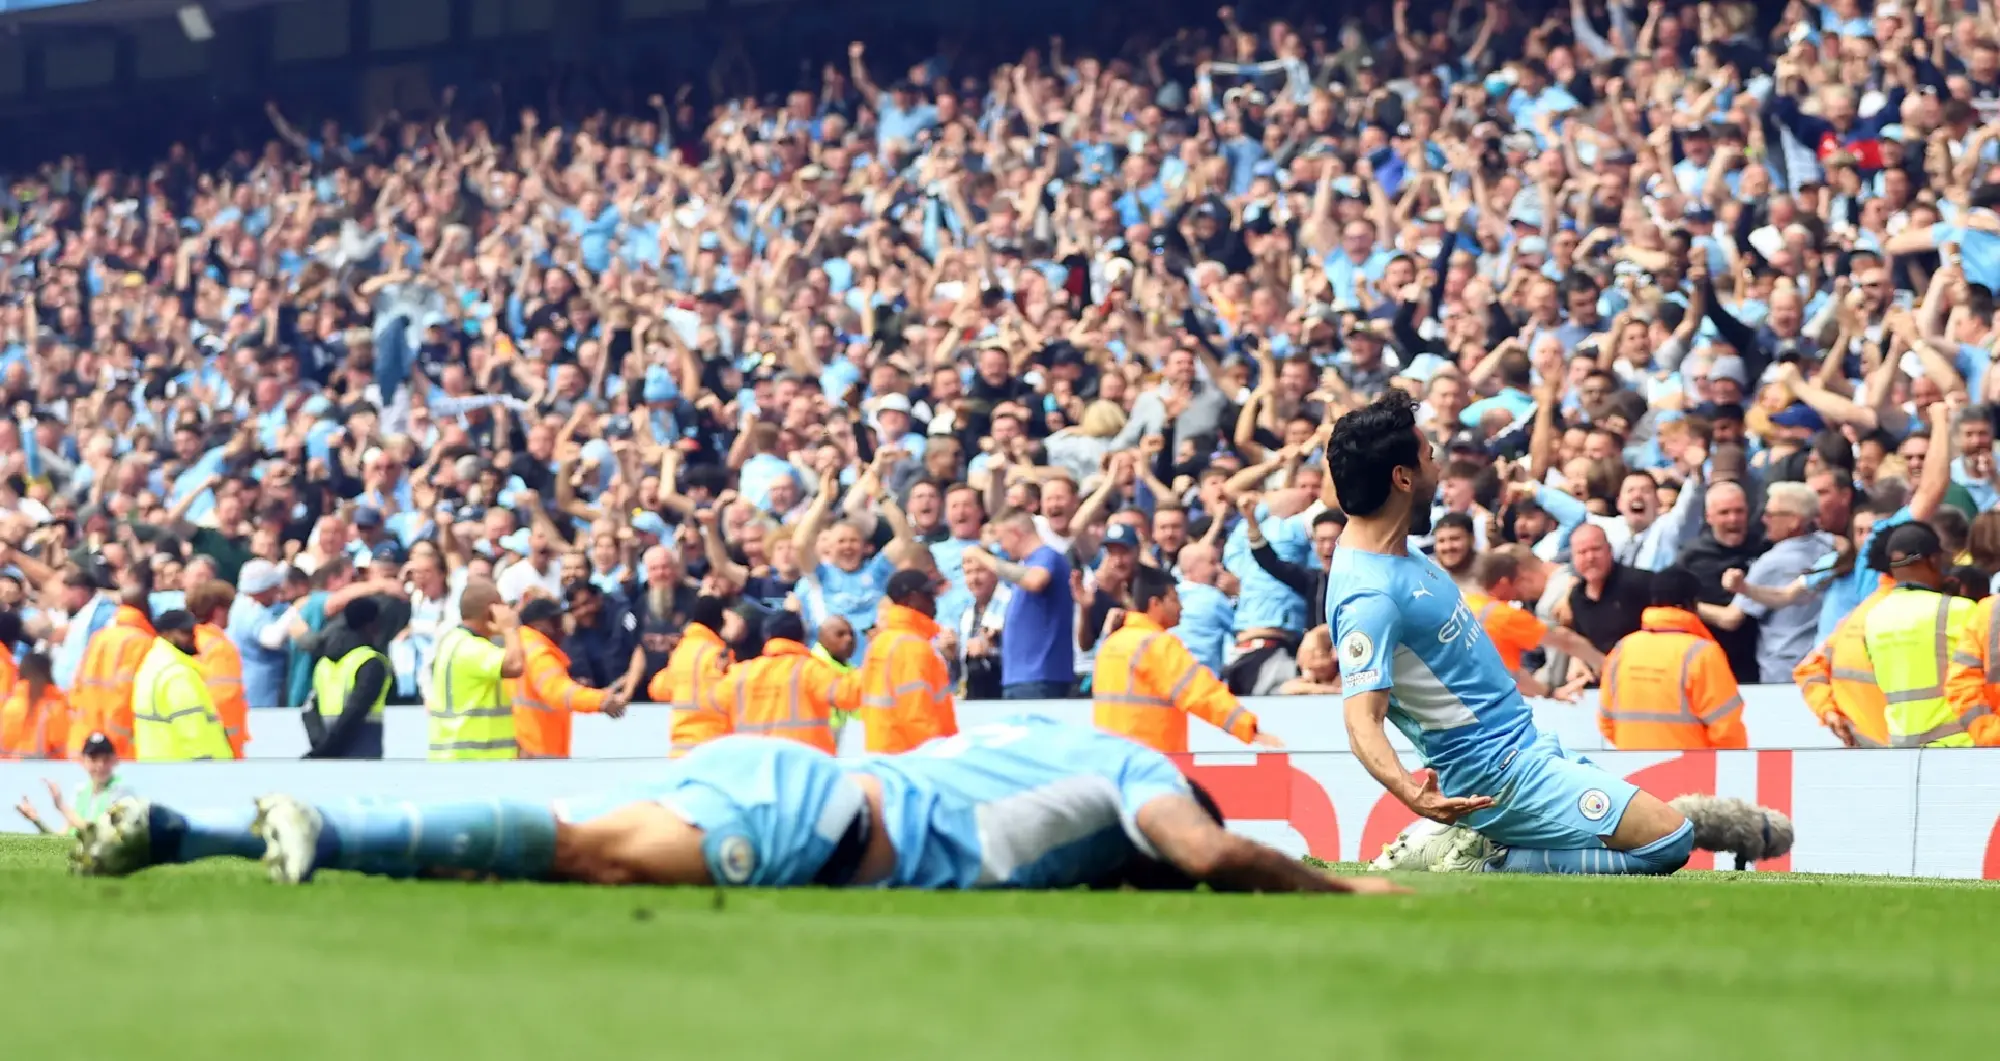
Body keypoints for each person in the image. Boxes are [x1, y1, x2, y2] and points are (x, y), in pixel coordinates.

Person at [73, 720, 1399, 896]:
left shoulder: (1063, 745)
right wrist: (1344, 886)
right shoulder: (1143, 779)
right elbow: (1208, 849)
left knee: (579, 847)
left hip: (801, 777)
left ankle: (179, 832)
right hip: (833, 825)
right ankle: (327, 831)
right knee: (582, 854)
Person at [1323, 392, 1697, 876]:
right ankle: (1483, 860)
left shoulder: (1402, 551)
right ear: (1402, 477)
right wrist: (1412, 794)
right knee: (1669, 840)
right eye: (1429, 459)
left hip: (1527, 743)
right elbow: (1360, 721)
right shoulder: (1368, 595)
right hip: (1496, 774)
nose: (1437, 471)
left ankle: (1471, 845)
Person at [1092, 566, 1281, 754]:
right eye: (1174, 599)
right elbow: (1200, 692)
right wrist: (1248, 728)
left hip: (1112, 758)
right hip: (1151, 760)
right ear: (1155, 604)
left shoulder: (1112, 643)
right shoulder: (1157, 645)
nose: (1181, 607)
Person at [1596, 568, 1749, 751]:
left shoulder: (1623, 649)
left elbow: (1606, 721)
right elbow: (1726, 729)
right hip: (1690, 772)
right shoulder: (1702, 653)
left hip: (1633, 769)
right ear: (1692, 604)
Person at [1699, 482, 1835, 684]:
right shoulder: (1829, 546)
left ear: (1793, 521)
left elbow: (1730, 618)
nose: (1764, 520)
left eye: (1771, 515)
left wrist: (1688, 605)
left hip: (1782, 667)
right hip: (1820, 660)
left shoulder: (1773, 561)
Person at [1863, 523, 1982, 747]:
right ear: (1933, 560)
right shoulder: (1958, 610)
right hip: (1958, 744)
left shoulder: (1873, 616)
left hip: (1901, 745)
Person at [1465, 546, 1606, 699]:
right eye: (1518, 581)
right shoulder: (1503, 616)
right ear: (1504, 583)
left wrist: (1549, 692)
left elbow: (1513, 672)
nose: (1519, 592)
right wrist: (1604, 663)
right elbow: (1564, 640)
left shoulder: (1462, 605)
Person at [842, 569, 956, 753]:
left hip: (885, 756)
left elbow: (849, 694)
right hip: (913, 760)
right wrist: (941, 758)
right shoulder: (912, 647)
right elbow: (917, 715)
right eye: (928, 595)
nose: (934, 601)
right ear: (912, 599)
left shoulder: (882, 642)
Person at [701, 612, 849, 752]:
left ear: (767, 637)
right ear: (802, 637)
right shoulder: (812, 670)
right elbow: (848, 695)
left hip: (756, 767)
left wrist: (718, 673)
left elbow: (710, 707)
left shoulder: (741, 674)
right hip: (806, 767)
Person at [966, 508, 1074, 699]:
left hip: (1040, 675)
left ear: (1016, 533)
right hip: (1022, 677)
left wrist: (984, 557)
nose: (1002, 547)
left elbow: (1035, 580)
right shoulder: (1027, 564)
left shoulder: (1047, 556)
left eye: (1001, 540)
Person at [511, 597, 631, 759]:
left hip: (530, 750)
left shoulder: (520, 646)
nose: (562, 627)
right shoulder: (539, 653)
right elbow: (558, 691)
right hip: (539, 754)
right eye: (557, 621)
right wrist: (600, 701)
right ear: (542, 624)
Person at [427, 580, 527, 761]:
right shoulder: (471, 648)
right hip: (472, 758)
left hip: (459, 756)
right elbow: (515, 665)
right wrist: (510, 629)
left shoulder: (454, 640)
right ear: (491, 611)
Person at [131, 610, 235, 762]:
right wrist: (205, 764)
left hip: (160, 764)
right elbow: (192, 728)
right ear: (166, 634)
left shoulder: (153, 664)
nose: (192, 637)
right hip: (186, 769)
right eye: (185, 632)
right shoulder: (177, 674)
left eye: (192, 631)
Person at [649, 596, 743, 758]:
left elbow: (657, 690)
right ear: (720, 622)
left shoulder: (680, 652)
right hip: (713, 747)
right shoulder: (718, 656)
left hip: (682, 748)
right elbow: (736, 693)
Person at [69, 587, 155, 759]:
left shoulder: (99, 637)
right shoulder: (143, 643)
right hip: (121, 746)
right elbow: (125, 696)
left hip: (86, 735)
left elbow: (77, 683)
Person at [306, 596, 394, 760]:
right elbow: (355, 711)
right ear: (371, 625)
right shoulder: (371, 662)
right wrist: (328, 748)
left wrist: (321, 748)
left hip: (328, 756)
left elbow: (309, 709)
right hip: (363, 754)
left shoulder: (323, 663)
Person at [15, 732, 128, 836]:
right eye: (94, 759)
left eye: (106, 759)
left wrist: (61, 806)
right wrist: (36, 821)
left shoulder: (121, 792)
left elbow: (97, 834)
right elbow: (61, 841)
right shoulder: (80, 792)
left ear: (115, 760)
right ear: (82, 761)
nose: (100, 765)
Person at [187, 580, 248, 758]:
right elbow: (224, 699)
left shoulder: (190, 641)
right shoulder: (221, 649)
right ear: (219, 611)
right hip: (222, 743)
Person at [0, 653, 68, 759]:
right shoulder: (54, 708)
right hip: (44, 772)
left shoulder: (7, 707)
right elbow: (62, 752)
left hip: (8, 772)